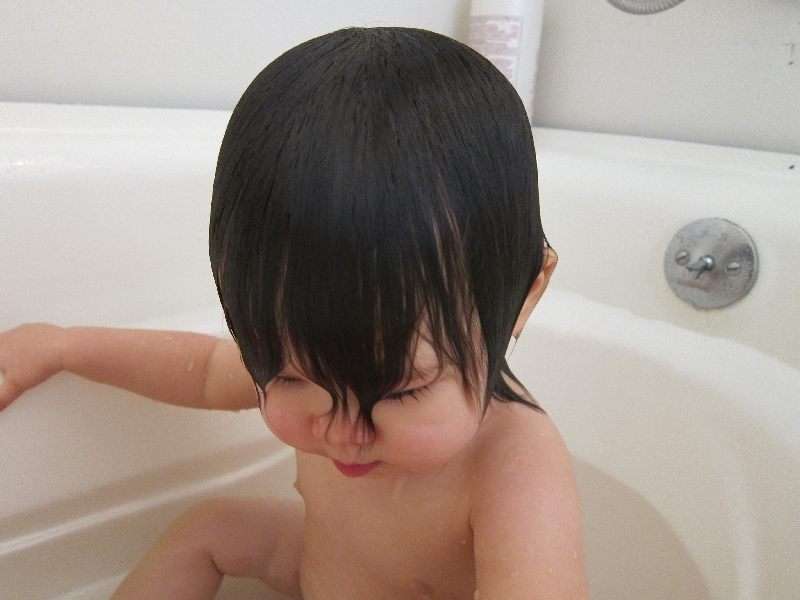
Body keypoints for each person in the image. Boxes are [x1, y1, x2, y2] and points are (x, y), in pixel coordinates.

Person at [0, 27, 588, 600]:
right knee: (211, 527)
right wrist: (62, 346)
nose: (340, 431)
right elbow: (201, 371)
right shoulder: (325, 359)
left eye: (402, 390)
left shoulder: (517, 472)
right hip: (321, 568)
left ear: (526, 296)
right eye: (289, 378)